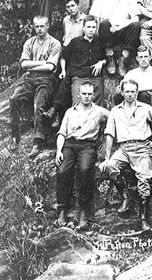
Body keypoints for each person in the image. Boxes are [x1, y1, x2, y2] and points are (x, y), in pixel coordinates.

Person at [100, 79, 152, 231]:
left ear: (136, 92)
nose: (129, 94)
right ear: (122, 92)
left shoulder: (145, 108)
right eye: (126, 91)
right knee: (108, 167)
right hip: (123, 148)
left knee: (143, 178)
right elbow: (109, 134)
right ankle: (126, 197)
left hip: (141, 148)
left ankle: (143, 218)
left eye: (132, 91)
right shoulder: (115, 111)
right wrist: (107, 157)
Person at [55, 82, 109, 229]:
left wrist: (106, 139)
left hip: (87, 145)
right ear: (78, 94)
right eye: (83, 94)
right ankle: (62, 209)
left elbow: (115, 119)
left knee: (85, 170)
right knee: (63, 170)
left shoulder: (99, 111)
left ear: (93, 95)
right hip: (70, 144)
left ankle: (84, 210)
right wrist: (59, 151)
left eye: (89, 94)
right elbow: (61, 133)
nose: (86, 97)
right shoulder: (69, 112)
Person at [9, 16, 61, 157]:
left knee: (38, 105)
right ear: (33, 27)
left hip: (46, 79)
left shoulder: (54, 43)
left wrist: (33, 63)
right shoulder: (29, 42)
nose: (39, 29)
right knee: (14, 97)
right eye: (37, 26)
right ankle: (15, 132)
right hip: (30, 78)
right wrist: (41, 63)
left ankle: (37, 142)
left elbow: (51, 67)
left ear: (48, 26)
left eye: (42, 26)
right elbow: (23, 64)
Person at [44, 15, 106, 128]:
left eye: (93, 27)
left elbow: (107, 57)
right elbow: (63, 57)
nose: (91, 29)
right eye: (88, 27)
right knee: (78, 107)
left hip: (96, 78)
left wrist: (102, 62)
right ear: (83, 28)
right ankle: (76, 132)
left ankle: (97, 135)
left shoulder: (100, 42)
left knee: (98, 109)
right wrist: (63, 70)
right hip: (79, 77)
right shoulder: (75, 42)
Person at [90, 0, 141, 76]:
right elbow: (94, 17)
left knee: (136, 25)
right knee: (104, 23)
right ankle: (110, 57)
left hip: (123, 31)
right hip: (107, 31)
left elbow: (135, 19)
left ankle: (123, 58)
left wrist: (119, 27)